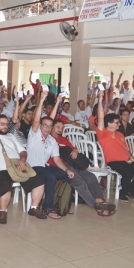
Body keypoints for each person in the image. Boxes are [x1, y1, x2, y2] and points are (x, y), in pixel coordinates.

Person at [0, 89, 46, 223]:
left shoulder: (11, 136)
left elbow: (23, 151)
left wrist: (23, 160)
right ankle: (3, 211)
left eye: (6, 124)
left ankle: (34, 207)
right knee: (6, 182)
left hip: (16, 167)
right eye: (2, 124)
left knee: (39, 180)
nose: (5, 126)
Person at [50, 116, 115, 216]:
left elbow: (74, 148)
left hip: (71, 163)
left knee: (91, 177)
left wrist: (75, 151)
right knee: (79, 181)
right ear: (52, 127)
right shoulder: (50, 139)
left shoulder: (64, 139)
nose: (60, 130)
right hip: (59, 164)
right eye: (58, 127)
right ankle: (96, 206)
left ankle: (100, 200)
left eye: (62, 128)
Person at [96, 90, 134, 201]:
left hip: (127, 159)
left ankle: (129, 190)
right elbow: (100, 117)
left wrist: (131, 157)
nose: (119, 124)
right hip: (114, 161)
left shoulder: (120, 134)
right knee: (128, 173)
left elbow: (125, 148)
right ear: (109, 123)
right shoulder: (103, 133)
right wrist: (99, 100)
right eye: (116, 122)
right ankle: (122, 193)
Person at [26, 90, 75, 219]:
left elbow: (57, 159)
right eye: (45, 126)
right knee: (51, 177)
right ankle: (48, 208)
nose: (47, 128)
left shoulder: (52, 140)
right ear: (40, 126)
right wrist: (41, 100)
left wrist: (67, 169)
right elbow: (37, 120)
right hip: (32, 167)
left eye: (50, 126)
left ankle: (62, 203)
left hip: (44, 166)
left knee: (67, 175)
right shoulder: (34, 135)